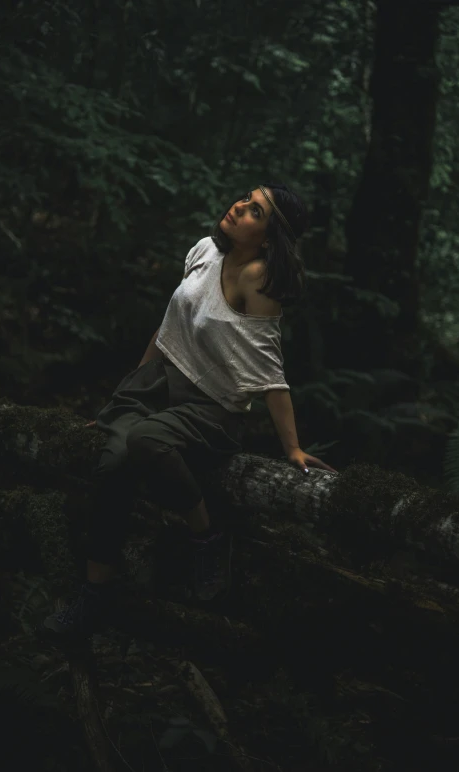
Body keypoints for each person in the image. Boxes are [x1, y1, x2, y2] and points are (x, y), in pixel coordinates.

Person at [43, 183, 337, 639]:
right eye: (246, 198)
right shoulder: (204, 250)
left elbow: (270, 375)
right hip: (159, 388)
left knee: (145, 441)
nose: (239, 206)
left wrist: (293, 448)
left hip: (211, 409)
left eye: (255, 210)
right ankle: (94, 593)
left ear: (268, 235)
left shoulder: (257, 279)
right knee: (113, 462)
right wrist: (123, 400)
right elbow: (166, 333)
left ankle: (206, 536)